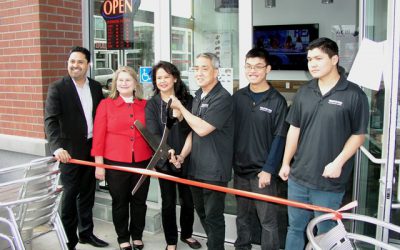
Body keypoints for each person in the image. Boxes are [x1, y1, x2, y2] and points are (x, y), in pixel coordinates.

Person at [278, 37, 369, 250]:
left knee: (326, 233)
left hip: (329, 181)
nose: (312, 64)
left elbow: (358, 135)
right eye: (309, 59)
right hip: (299, 177)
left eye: (318, 58)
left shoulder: (354, 94)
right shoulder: (304, 91)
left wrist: (338, 162)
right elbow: (294, 129)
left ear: (335, 59)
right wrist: (285, 162)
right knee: (294, 228)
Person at [44, 46, 109, 250]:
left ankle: (86, 234)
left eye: (80, 62)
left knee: (88, 195)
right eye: (72, 61)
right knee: (70, 197)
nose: (75, 65)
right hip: (69, 153)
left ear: (88, 65)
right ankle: (69, 241)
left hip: (91, 149)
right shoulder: (58, 88)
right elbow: (50, 121)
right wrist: (56, 148)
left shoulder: (96, 87)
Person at [169, 53, 234, 250]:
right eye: (196, 68)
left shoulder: (223, 98)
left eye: (204, 68)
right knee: (203, 213)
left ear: (216, 72)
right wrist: (182, 155)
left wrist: (180, 106)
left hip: (214, 170)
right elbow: (192, 133)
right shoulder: (198, 96)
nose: (199, 72)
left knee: (213, 217)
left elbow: (203, 128)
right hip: (196, 168)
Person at [91, 66, 153, 250]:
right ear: (115, 84)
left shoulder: (145, 105)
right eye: (120, 80)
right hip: (115, 162)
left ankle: (137, 235)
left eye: (128, 80)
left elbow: (152, 134)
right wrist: (99, 165)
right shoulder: (106, 105)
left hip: (142, 161)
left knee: (139, 201)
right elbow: (98, 136)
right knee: (120, 201)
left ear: (135, 83)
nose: (124, 83)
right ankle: (123, 237)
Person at [233, 48, 288, 250]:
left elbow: (280, 138)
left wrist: (268, 170)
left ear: (268, 69)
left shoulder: (277, 101)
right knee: (242, 217)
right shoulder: (238, 97)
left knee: (268, 221)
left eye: (258, 66)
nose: (252, 71)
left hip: (263, 174)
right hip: (240, 171)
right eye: (249, 66)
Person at [145, 61, 202, 250]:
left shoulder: (188, 100)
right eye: (158, 78)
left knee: (188, 201)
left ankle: (186, 234)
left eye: (166, 77)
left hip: (188, 157)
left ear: (175, 78)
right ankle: (171, 241)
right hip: (164, 160)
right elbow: (153, 133)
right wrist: (168, 153)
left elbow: (192, 131)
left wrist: (182, 155)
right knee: (168, 202)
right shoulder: (152, 104)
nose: (162, 81)